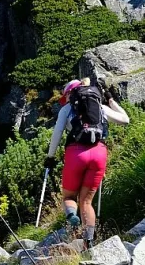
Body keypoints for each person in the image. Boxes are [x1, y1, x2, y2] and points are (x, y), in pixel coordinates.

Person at [44, 79, 130, 244]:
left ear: (70, 93)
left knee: (69, 197)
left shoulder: (66, 109)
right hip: (99, 154)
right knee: (86, 201)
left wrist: (50, 157)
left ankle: (72, 216)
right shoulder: (100, 107)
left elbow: (57, 133)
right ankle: (88, 242)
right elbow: (125, 120)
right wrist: (111, 100)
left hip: (76, 154)